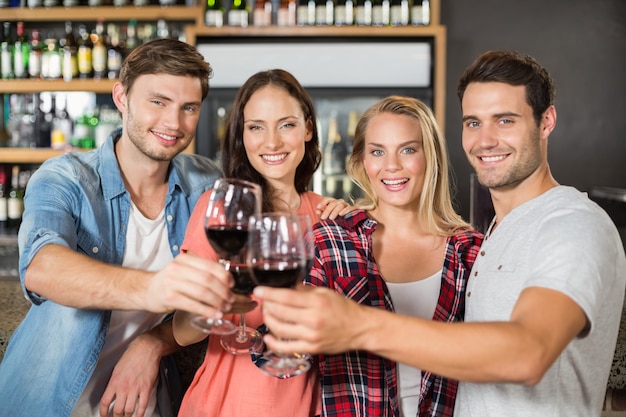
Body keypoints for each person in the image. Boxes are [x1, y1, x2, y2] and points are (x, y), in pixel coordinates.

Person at [255, 50, 626, 416]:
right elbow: (277, 348)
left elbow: (528, 354)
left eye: (506, 120)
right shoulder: (493, 239)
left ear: (546, 122)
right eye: (473, 122)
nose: (486, 140)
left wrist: (357, 325)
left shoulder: (568, 224)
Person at [0, 39, 230, 417]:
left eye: (188, 107)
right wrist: (153, 289)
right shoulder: (65, 178)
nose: (174, 123)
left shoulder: (205, 183)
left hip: (144, 402)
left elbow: (219, 292)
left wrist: (153, 342)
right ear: (121, 97)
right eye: (158, 102)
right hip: (44, 400)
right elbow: (42, 266)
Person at [240, 95, 482, 416]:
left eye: (408, 149)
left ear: (431, 156)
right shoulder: (331, 241)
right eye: (377, 151)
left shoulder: (471, 251)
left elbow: (494, 357)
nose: (391, 165)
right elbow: (281, 352)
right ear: (362, 162)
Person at [172, 69, 351, 417]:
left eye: (286, 124)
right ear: (242, 135)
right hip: (223, 406)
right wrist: (219, 302)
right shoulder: (221, 211)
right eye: (256, 127)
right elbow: (181, 330)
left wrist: (352, 227)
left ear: (308, 128)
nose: (272, 142)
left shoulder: (328, 216)